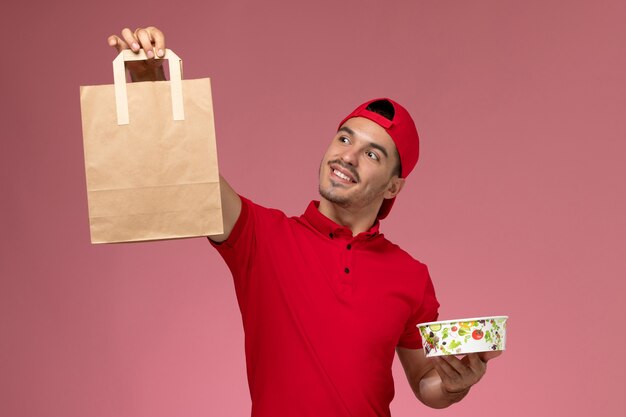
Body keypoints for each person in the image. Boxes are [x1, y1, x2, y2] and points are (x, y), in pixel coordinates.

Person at [108, 26, 502, 417]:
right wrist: (149, 81)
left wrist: (453, 385)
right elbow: (188, 174)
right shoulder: (259, 236)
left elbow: (423, 381)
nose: (347, 157)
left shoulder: (411, 276)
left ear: (393, 187)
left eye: (372, 154)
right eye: (344, 139)